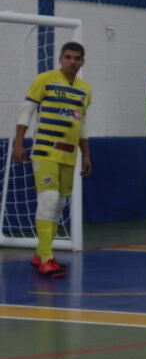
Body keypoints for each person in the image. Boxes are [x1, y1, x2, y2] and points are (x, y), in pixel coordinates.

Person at [12, 42, 92, 277]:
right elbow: (26, 110)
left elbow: (81, 124)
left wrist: (86, 155)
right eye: (68, 57)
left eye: (76, 58)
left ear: (82, 62)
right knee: (48, 199)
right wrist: (19, 143)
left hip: (69, 155)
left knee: (58, 204)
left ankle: (40, 253)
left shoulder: (85, 90)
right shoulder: (45, 80)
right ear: (60, 59)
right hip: (45, 151)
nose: (72, 61)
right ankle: (47, 258)